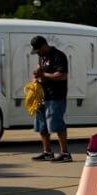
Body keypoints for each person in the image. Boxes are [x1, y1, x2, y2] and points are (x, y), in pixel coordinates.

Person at [29, 35, 71, 163]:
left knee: (56, 124)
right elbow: (40, 68)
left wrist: (44, 75)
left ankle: (65, 153)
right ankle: (47, 152)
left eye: (39, 50)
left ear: (44, 45)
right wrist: (36, 77)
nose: (39, 53)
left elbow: (62, 76)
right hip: (42, 96)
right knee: (42, 125)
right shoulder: (42, 56)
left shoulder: (58, 56)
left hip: (55, 96)